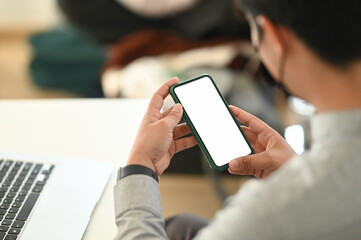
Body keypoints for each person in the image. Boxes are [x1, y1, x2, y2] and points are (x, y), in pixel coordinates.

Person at [113, 0, 361, 239]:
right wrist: (294, 170)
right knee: (183, 226)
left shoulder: (268, 210)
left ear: (275, 38)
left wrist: (140, 166)